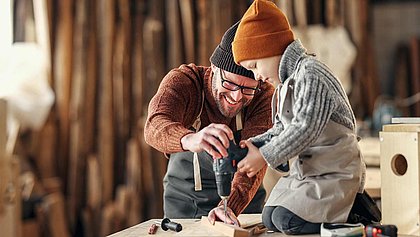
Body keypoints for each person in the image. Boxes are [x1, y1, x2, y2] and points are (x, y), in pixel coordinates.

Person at [232, 0, 377, 234]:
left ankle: (353, 210)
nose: (257, 76)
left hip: (333, 172)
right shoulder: (285, 85)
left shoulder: (311, 73)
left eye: (255, 65)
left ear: (270, 47)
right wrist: (255, 145)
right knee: (270, 217)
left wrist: (265, 155)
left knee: (287, 221)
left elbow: (305, 128)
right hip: (309, 173)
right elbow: (281, 129)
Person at [144, 21, 274, 225]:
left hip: (243, 204)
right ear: (214, 67)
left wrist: (230, 207)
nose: (236, 97)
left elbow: (257, 154)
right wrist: (189, 139)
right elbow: (154, 125)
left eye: (247, 89)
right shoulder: (184, 82)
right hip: (185, 200)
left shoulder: (263, 95)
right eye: (229, 83)